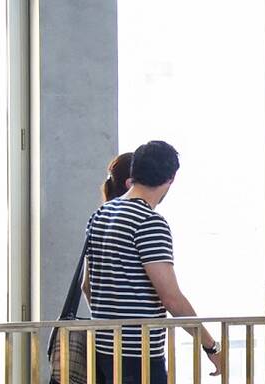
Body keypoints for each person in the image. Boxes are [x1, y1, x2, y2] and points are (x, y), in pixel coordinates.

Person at [81, 141, 226, 383]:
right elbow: (171, 298)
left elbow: (87, 285)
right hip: (138, 354)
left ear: (134, 172)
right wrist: (211, 346)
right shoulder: (149, 223)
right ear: (171, 179)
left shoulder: (100, 215)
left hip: (101, 350)